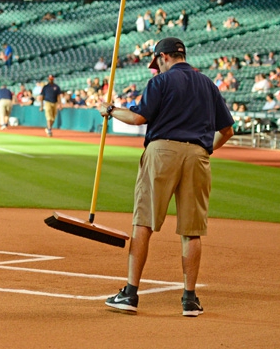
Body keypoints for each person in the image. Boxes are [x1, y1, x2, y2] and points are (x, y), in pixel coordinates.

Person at [97, 37, 234, 317]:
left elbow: (138, 118)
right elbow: (227, 130)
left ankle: (130, 294)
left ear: (163, 57)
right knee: (192, 229)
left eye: (156, 62)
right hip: (197, 155)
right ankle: (189, 299)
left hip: (162, 153)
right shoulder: (208, 84)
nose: (156, 68)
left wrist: (110, 110)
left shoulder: (160, 82)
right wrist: (205, 148)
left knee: (144, 222)